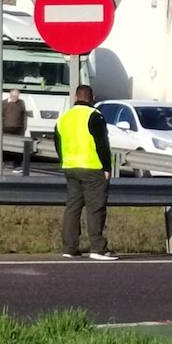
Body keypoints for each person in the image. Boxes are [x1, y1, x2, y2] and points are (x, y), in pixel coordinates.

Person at [54, 84, 117, 261]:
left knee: (73, 208)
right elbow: (102, 144)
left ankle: (69, 247)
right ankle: (98, 248)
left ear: (75, 97)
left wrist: (65, 161)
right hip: (92, 168)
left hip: (71, 168)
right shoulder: (94, 116)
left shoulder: (64, 118)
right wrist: (106, 167)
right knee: (95, 208)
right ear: (92, 97)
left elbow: (57, 143)